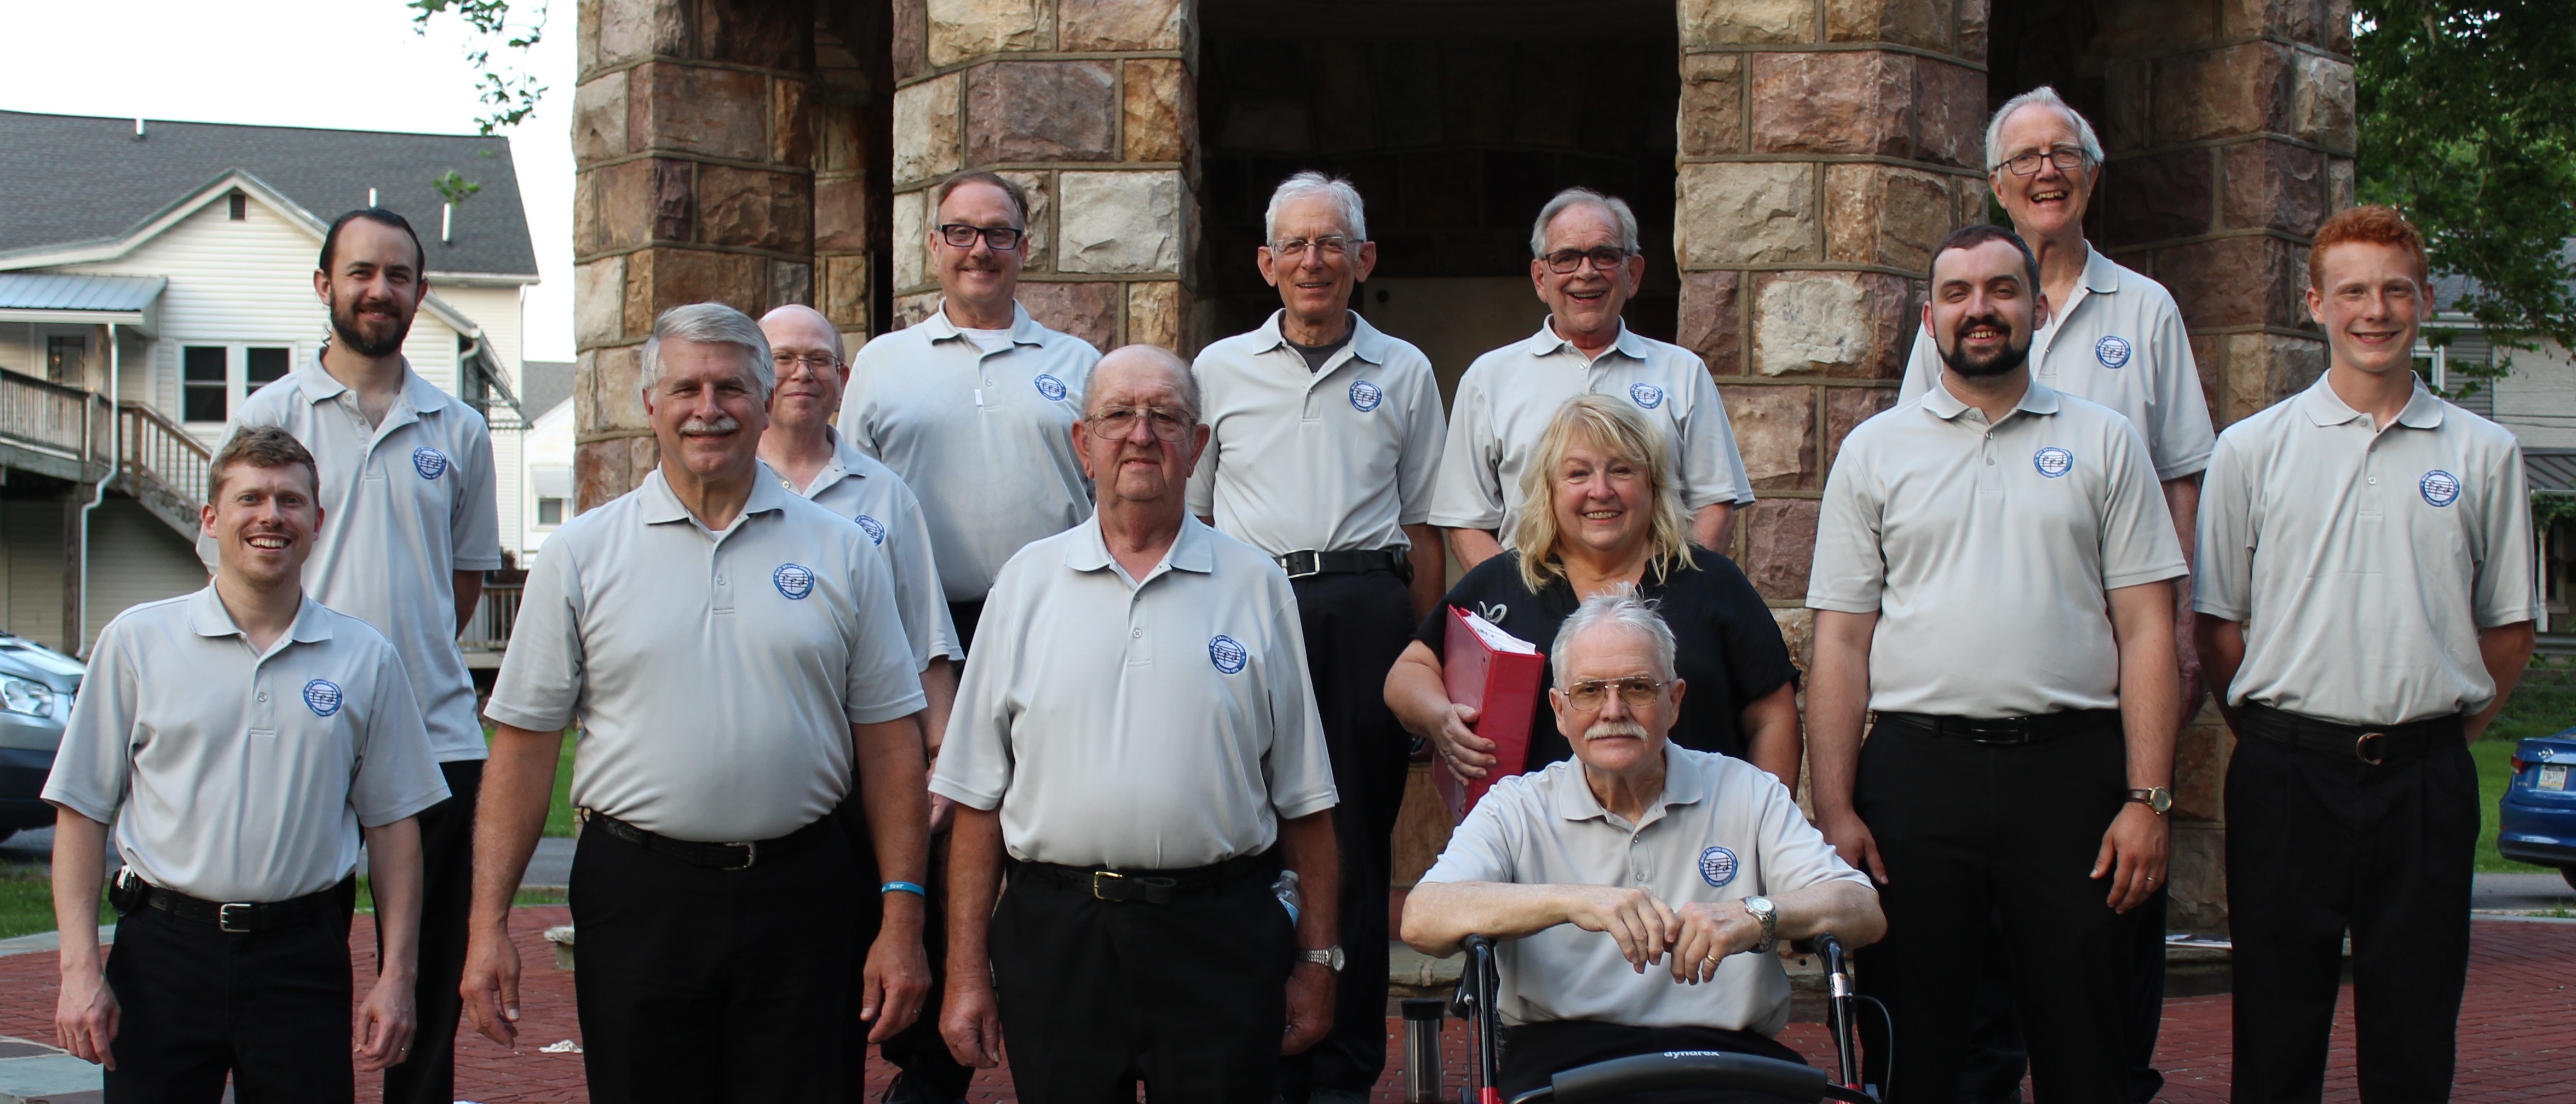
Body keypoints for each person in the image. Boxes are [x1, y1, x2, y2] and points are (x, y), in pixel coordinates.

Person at [461, 303, 933, 1103]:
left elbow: (890, 745)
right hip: (639, 896)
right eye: (685, 388)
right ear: (651, 403)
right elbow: (525, 747)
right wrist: (486, 926)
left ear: (765, 396)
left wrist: (902, 915)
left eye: (731, 388)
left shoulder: (844, 551)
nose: (708, 409)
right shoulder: (581, 556)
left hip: (805, 891)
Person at [1804, 225, 2185, 1103]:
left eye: (2002, 290)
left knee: (2088, 1045)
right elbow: (1840, 643)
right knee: (1917, 1047)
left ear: (2038, 308)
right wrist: (1834, 806)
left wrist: (2149, 798)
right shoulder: (1875, 452)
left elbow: (2147, 632)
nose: (1982, 309)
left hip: (2074, 781)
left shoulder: (2106, 441)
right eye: (1959, 293)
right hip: (1916, 778)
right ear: (1931, 317)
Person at [1894, 88, 2217, 1104]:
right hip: (1970, 695)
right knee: (1969, 996)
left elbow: (2179, 479)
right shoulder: (1962, 307)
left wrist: (2176, 636)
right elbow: (1924, 455)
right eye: (2023, 157)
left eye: (2062, 153)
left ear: (2089, 172)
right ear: (1994, 183)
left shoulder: (2145, 310)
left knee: (2098, 966)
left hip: (2103, 671)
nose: (2044, 170)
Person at [931, 346, 1344, 1104]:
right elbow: (976, 801)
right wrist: (965, 975)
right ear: (1082, 444)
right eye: (1118, 415)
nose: (1142, 434)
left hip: (1219, 936)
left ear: (1200, 444)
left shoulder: (1257, 586)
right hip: (1058, 938)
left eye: (1166, 416)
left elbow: (1306, 803)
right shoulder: (1023, 585)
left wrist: (1318, 960)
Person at [2195, 205, 2540, 1103]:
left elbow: (2506, 628)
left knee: (2413, 1033)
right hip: (2283, 774)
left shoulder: (2483, 454)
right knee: (2273, 1031)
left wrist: (2443, 735)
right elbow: (2216, 626)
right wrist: (2270, 733)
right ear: (2313, 302)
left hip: (2423, 779)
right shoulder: (2250, 451)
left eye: (2393, 290)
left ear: (2423, 300)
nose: (2373, 310)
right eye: (2351, 290)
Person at [197, 207, 504, 1104]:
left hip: (434, 732)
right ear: (326, 285)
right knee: (297, 962)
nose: (381, 290)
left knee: (424, 975)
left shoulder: (458, 429)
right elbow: (239, 556)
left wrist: (391, 662)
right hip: (298, 733)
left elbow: (461, 584)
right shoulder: (271, 413)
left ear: (419, 292)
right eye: (362, 272)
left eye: (399, 274)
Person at [47, 426, 449, 1102]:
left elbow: (393, 831)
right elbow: (81, 813)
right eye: (250, 498)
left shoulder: (364, 657)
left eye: (290, 501)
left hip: (302, 957)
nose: (271, 517)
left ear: (317, 522)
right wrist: (79, 970)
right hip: (163, 953)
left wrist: (398, 975)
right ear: (211, 519)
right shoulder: (138, 643)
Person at [1402, 590, 1883, 1104]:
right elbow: (1422, 918)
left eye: (1637, 687)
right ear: (1559, 711)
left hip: (1729, 1063)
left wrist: (1757, 914)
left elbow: (1862, 911)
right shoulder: (1517, 806)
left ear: (1674, 700)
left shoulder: (1747, 791)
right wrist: (1574, 900)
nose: (1613, 710)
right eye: (1589, 691)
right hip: (1564, 1066)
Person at [1187, 171, 1446, 1104]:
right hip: (1250, 607)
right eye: (1293, 244)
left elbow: (1422, 529)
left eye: (1331, 242)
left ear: (1363, 259)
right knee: (1248, 832)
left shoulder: (1404, 370)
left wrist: (1422, 651)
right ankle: (1251, 1045)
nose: (1312, 260)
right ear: (1265, 263)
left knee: (1352, 840)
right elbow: (1196, 515)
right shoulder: (1215, 369)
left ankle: (1340, 1067)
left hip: (1366, 607)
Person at [758, 302, 967, 1104]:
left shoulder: (885, 497)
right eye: (782, 358)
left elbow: (928, 644)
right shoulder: (730, 485)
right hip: (785, 776)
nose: (802, 373)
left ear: (844, 381)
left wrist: (943, 760)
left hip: (874, 776)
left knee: (894, 943)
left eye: (818, 359)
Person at [1389, 395, 1801, 787]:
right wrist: (1440, 719)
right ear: (1549, 491)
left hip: (1697, 839)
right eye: (1578, 473)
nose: (1600, 491)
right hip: (1540, 844)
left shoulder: (1712, 582)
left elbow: (1773, 716)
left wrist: (1762, 829)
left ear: (1653, 485)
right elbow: (1408, 674)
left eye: (1622, 470)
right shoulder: (1504, 582)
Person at [843, 170, 1102, 653]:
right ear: (935, 246)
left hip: (1058, 621)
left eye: (999, 234)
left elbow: (1106, 493)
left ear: (1023, 250)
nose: (979, 249)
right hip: (918, 631)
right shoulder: (881, 363)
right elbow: (852, 501)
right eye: (960, 232)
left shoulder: (1080, 363)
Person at [1430, 187, 1751, 571]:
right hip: (1532, 616)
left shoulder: (1683, 372)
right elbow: (1467, 522)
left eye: (1604, 255)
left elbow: (1714, 505)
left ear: (1633, 274)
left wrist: (1674, 602)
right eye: (1566, 258)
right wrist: (1521, 607)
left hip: (1656, 616)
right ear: (1540, 278)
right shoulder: (1488, 378)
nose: (1586, 272)